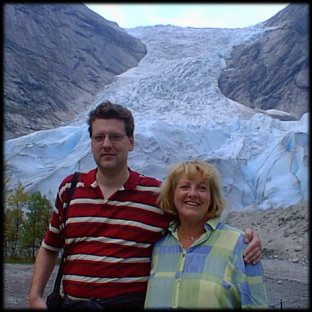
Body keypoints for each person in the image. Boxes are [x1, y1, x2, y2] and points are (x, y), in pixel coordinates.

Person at [29, 101, 262, 309]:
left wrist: (246, 238)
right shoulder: (70, 189)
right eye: (99, 137)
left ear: (131, 142)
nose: (107, 144)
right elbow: (50, 246)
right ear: (91, 142)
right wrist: (35, 297)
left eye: (116, 137)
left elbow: (195, 224)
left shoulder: (156, 195)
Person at [144, 160, 268, 309]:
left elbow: (256, 305)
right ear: (172, 194)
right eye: (184, 187)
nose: (192, 194)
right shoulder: (158, 244)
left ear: (212, 197)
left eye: (202, 188)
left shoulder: (240, 246)